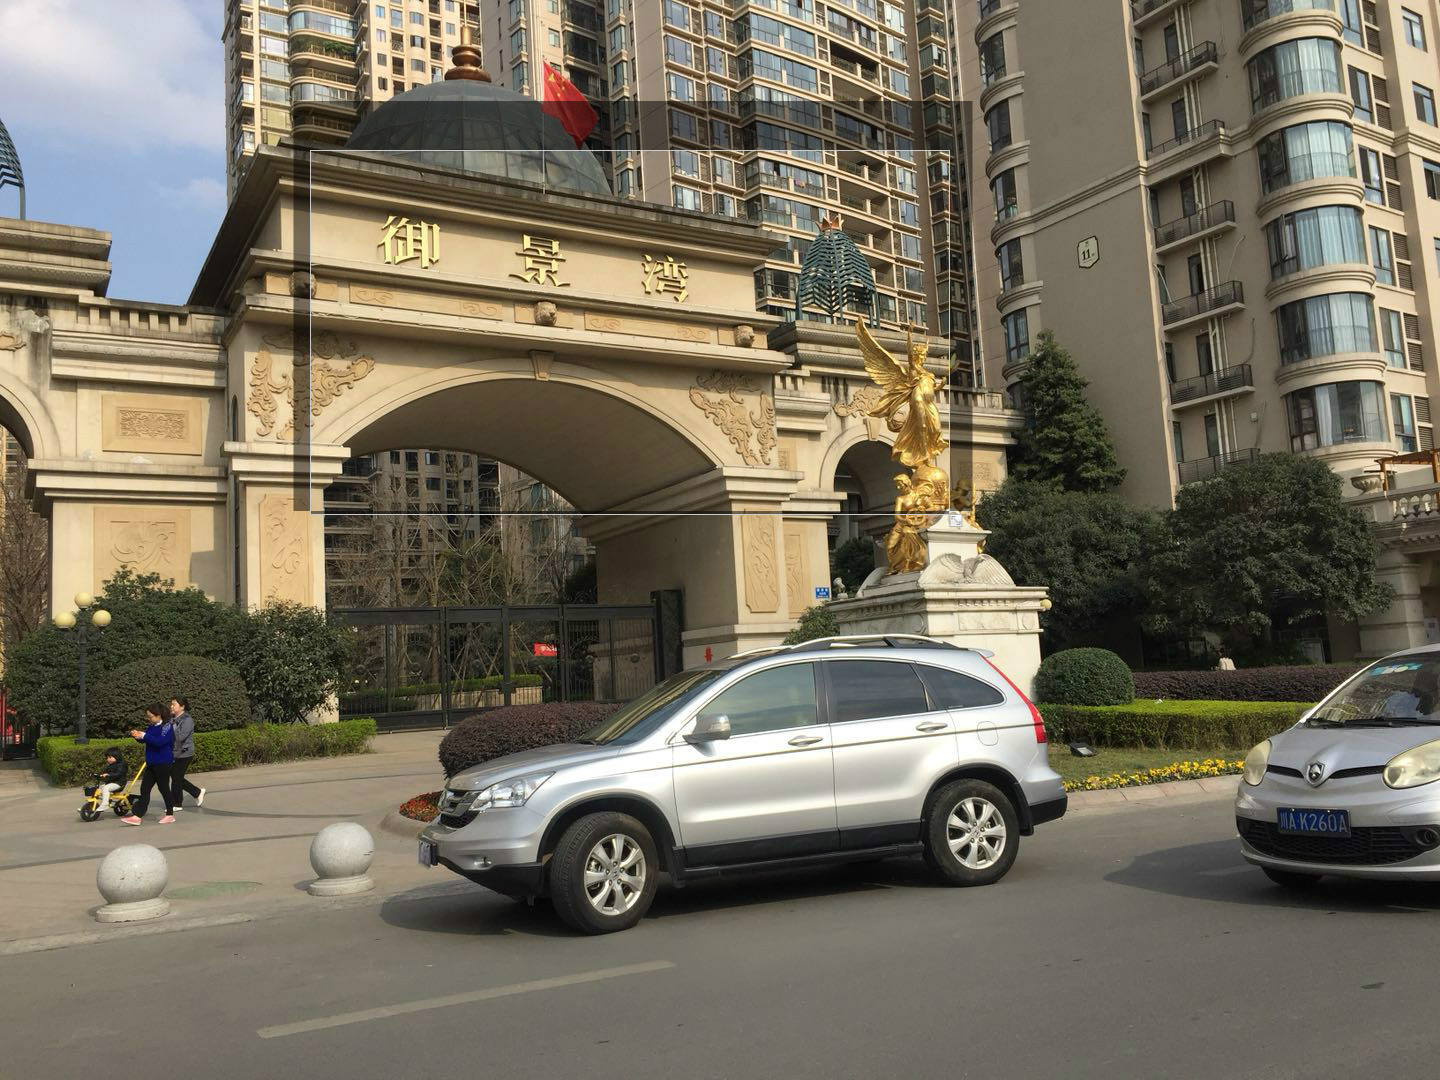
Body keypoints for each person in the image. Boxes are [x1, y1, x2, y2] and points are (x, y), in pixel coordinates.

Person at [121, 704, 175, 825]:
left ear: (158, 715)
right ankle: (137, 816)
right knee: (145, 788)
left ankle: (170, 814)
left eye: (150, 717)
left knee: (163, 788)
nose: (149, 719)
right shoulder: (152, 726)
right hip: (151, 762)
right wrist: (138, 736)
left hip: (163, 762)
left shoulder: (167, 727)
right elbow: (148, 740)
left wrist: (144, 735)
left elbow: (160, 742)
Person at [168, 696, 205, 811]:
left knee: (176, 778)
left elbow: (181, 737)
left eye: (174, 704)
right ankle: (197, 792)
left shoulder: (187, 720)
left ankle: (177, 804)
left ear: (182, 706)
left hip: (185, 753)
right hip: (174, 753)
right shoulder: (171, 719)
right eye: (171, 704)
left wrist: (167, 736)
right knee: (176, 777)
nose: (171, 706)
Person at [83, 748, 128, 813]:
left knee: (105, 788)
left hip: (119, 783)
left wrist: (109, 775)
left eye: (110, 757)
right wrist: (98, 774)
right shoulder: (110, 765)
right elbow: (104, 772)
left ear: (117, 757)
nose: (108, 759)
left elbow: (119, 773)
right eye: (107, 758)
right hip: (111, 782)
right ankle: (92, 805)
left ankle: (105, 804)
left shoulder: (122, 765)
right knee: (99, 788)